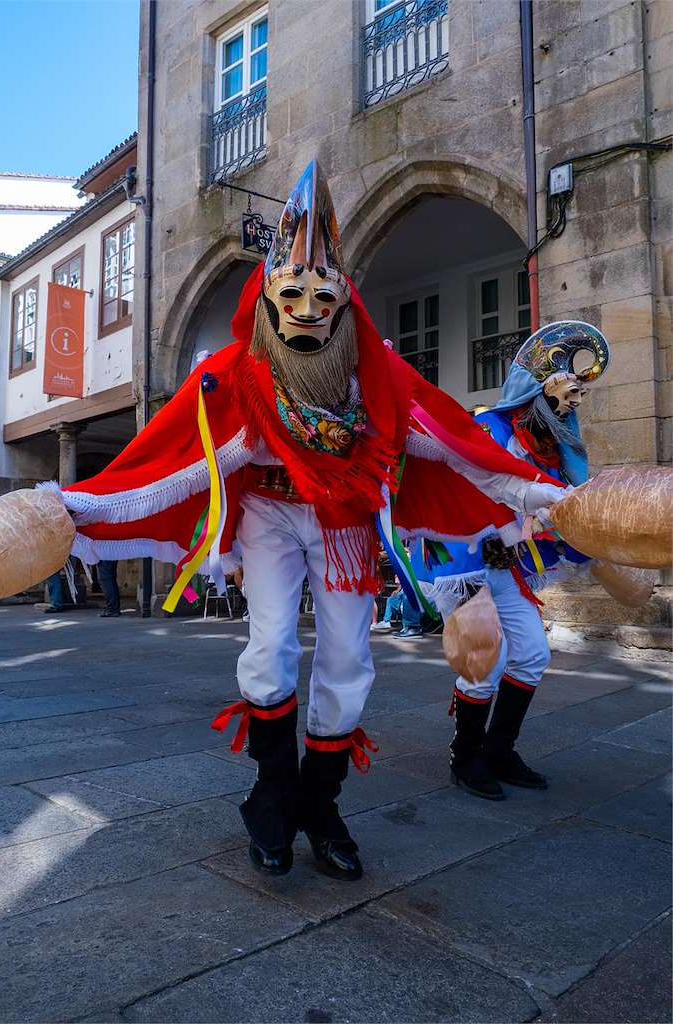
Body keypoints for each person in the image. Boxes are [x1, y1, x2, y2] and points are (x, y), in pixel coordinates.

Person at [50, 162, 566, 881]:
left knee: (349, 658)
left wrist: (550, 498)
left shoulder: (375, 372)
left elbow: (456, 439)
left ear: (343, 299)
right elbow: (161, 462)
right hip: (266, 513)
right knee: (268, 647)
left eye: (322, 292)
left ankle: (320, 805)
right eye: (290, 291)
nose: (307, 305)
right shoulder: (234, 373)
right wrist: (68, 508)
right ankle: (273, 792)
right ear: (267, 296)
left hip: (345, 517)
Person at [420, 322, 610, 801]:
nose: (571, 407)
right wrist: (535, 509)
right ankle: (465, 759)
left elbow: (549, 507)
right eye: (566, 394)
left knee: (531, 655)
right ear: (539, 390)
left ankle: (499, 751)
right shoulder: (487, 429)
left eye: (576, 399)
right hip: (459, 555)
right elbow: (480, 492)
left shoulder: (551, 452)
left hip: (501, 560)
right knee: (484, 659)